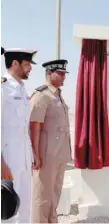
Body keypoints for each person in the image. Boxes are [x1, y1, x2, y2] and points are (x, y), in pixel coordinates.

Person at [29, 59, 72, 223]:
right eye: (60, 73)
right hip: (46, 155)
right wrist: (35, 155)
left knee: (54, 194)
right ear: (49, 73)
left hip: (59, 154)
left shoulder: (58, 96)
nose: (63, 77)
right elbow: (34, 127)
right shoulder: (41, 95)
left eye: (64, 74)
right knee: (42, 196)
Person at [1, 48, 37, 223]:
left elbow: (24, 128)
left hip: (23, 158)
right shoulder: (3, 88)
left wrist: (31, 155)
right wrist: (1, 164)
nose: (30, 67)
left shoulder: (22, 89)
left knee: (25, 207)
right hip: (7, 160)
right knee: (8, 209)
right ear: (15, 63)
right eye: (27, 63)